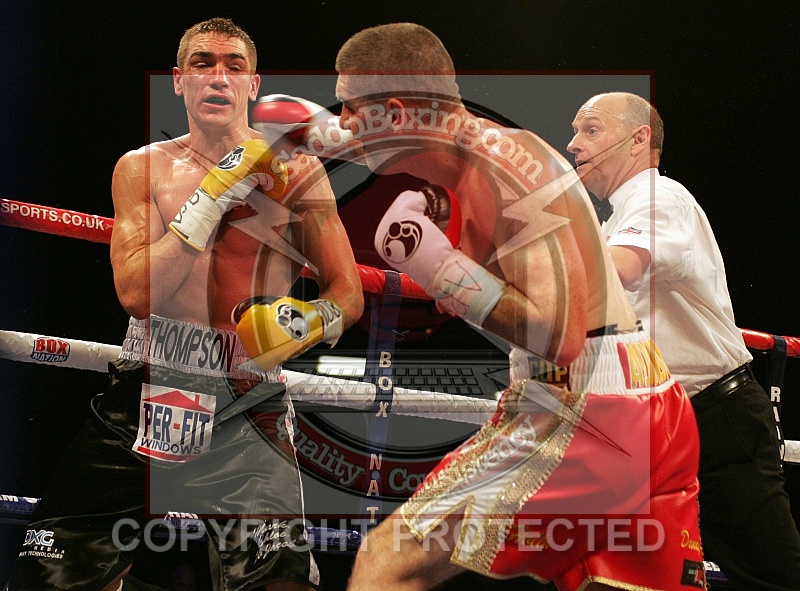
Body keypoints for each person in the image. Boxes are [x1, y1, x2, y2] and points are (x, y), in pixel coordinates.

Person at [333, 23, 706, 591]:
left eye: (350, 107)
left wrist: (438, 266)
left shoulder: (503, 168)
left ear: (395, 112)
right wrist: (452, 272)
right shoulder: (478, 168)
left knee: (389, 559)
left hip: (587, 411)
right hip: (641, 404)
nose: (340, 123)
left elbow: (560, 334)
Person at [6, 17, 363, 591]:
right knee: (51, 573)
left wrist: (300, 324)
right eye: (202, 63)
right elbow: (136, 294)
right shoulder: (142, 168)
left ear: (252, 85)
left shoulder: (298, 173)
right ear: (179, 81)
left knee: (280, 579)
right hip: (150, 381)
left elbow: (348, 292)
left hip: (247, 395)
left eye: (234, 66)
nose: (218, 76)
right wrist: (213, 195)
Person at [567, 91, 800, 590]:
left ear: (639, 139)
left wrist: (502, 274)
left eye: (591, 130)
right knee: (624, 575)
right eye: (576, 131)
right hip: (650, 426)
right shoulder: (615, 218)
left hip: (712, 419)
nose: (573, 144)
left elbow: (617, 271)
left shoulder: (659, 198)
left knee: (772, 577)